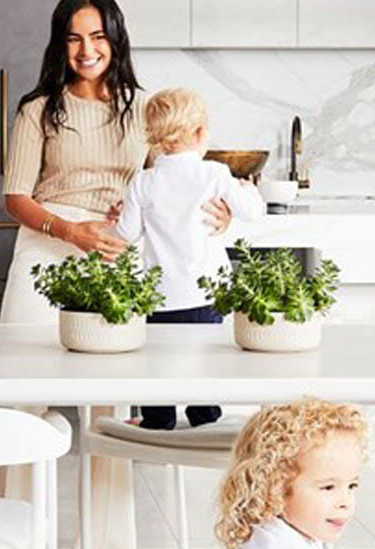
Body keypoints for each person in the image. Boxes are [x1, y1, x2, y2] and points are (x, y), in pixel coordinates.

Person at [0, 0, 232, 549]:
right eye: (73, 38)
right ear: (59, 44)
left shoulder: (142, 110)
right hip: (46, 243)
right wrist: (69, 231)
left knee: (106, 415)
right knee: (16, 400)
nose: (87, 49)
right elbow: (15, 196)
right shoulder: (38, 110)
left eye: (97, 36)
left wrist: (217, 212)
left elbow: (179, 182)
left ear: (115, 38)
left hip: (115, 250)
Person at [113, 87, 264, 430]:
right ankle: (205, 419)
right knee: (204, 360)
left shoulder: (144, 182)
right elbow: (252, 213)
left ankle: (158, 420)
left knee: (157, 361)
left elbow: (126, 234)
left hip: (160, 294)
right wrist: (249, 191)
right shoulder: (213, 174)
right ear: (199, 133)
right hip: (206, 292)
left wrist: (120, 213)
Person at [215, 398, 368, 549]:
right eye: (328, 487)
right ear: (275, 488)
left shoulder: (282, 539)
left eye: (351, 486)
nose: (345, 502)